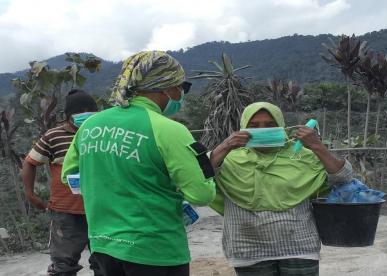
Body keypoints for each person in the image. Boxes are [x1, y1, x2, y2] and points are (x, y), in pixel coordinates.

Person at [61, 51, 216, 276]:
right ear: (166, 87)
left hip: (103, 247)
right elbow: (201, 194)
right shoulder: (169, 130)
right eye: (183, 87)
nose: (182, 94)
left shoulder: (90, 126)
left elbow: (69, 176)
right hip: (155, 251)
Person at [209, 102, 353, 276]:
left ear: (281, 127)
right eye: (253, 126)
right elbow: (199, 175)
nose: (262, 130)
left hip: (299, 246)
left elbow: (343, 177)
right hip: (247, 247)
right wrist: (225, 145)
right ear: (242, 129)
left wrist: (316, 145)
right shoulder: (229, 159)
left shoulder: (302, 155)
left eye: (270, 125)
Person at [22, 89, 101, 276]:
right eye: (80, 111)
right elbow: (30, 162)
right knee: (63, 265)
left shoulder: (102, 133)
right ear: (68, 116)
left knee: (105, 262)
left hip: (101, 209)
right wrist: (30, 195)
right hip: (67, 212)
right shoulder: (53, 136)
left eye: (91, 110)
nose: (86, 114)